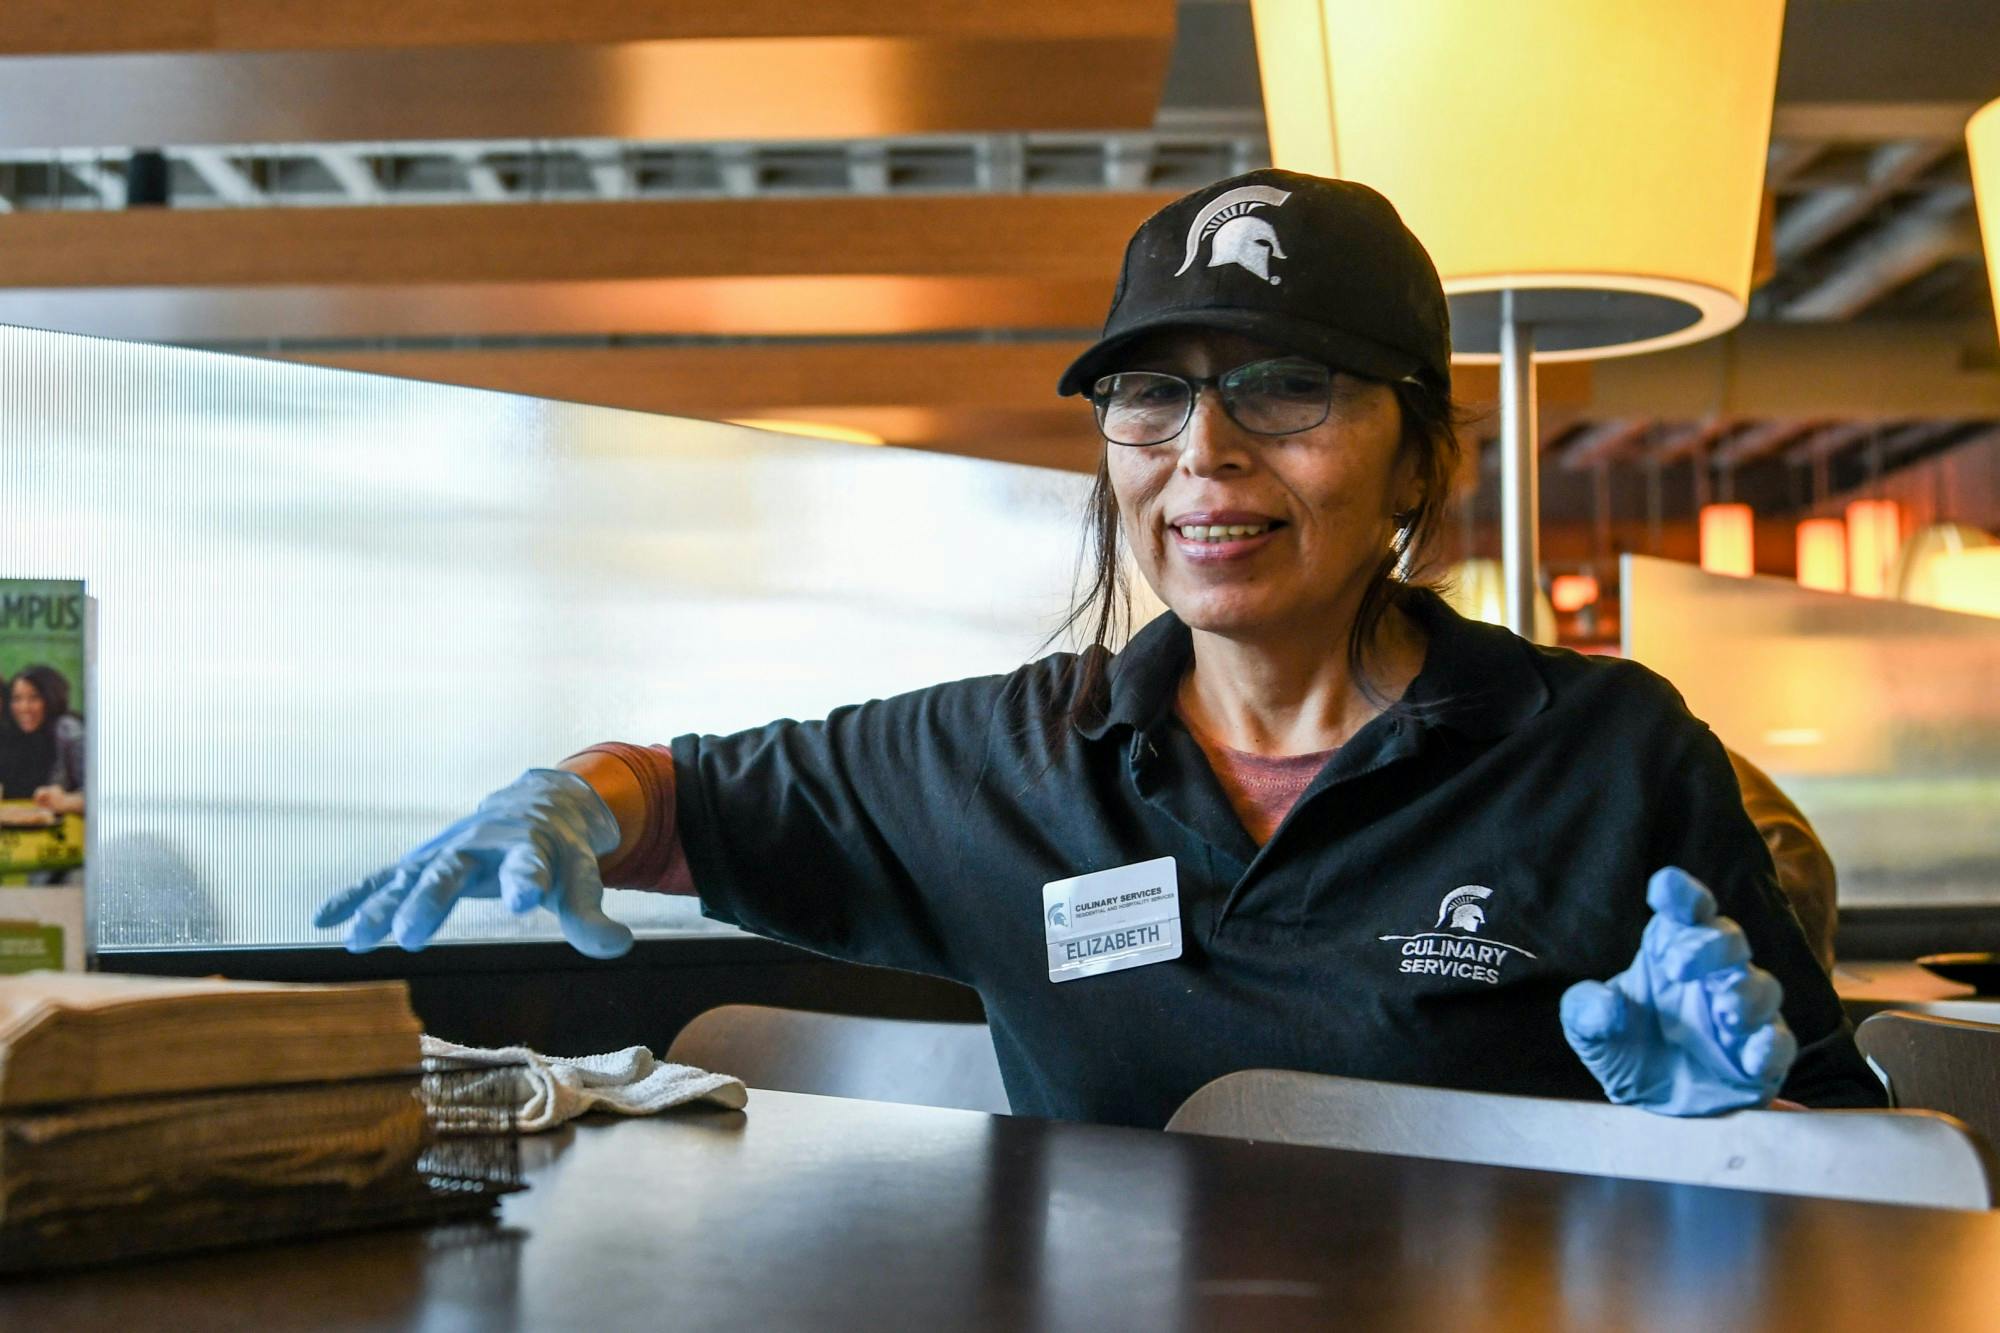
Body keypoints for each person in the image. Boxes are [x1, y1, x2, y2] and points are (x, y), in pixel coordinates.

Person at [319, 170, 1883, 1126]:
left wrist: (1732, 1136)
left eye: (1288, 387)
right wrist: (578, 798)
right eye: (1151, 396)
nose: (1203, 452)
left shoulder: (1605, 755)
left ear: (1420, 459)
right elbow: (694, 793)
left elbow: (1843, 1158)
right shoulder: (1014, 765)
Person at [1, 665, 85, 816]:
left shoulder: (68, 730)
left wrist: (66, 801)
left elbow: (102, 792)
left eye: (34, 698)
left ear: (51, 697)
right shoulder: (24, 734)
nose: (24, 707)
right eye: (17, 699)